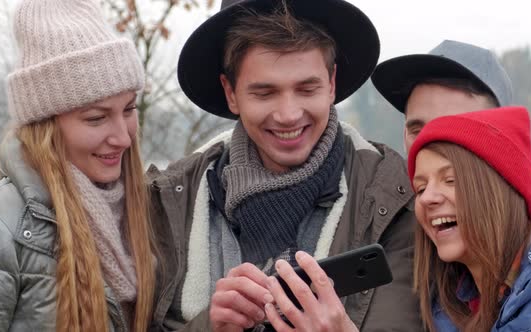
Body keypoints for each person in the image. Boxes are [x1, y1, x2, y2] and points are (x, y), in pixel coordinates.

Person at [147, 0, 420, 331]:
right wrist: (210, 325)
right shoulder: (166, 202)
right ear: (230, 92)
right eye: (265, 93)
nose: (289, 114)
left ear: (331, 83)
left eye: (307, 89)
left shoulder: (394, 199)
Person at [0, 0, 156, 331]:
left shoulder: (141, 210)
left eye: (128, 109)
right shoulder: (3, 228)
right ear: (46, 126)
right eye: (97, 118)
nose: (123, 138)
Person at [407, 106, 531, 331]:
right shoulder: (442, 311)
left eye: (450, 180)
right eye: (420, 188)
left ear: (500, 191)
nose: (426, 198)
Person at [371, 39, 531, 209]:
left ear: (502, 140)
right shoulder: (385, 226)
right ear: (404, 136)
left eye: (455, 130)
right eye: (418, 131)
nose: (430, 144)